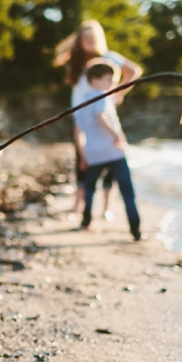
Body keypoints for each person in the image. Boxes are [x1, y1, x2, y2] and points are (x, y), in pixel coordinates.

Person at [54, 20, 143, 222]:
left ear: (98, 39)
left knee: (110, 154)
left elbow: (135, 71)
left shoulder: (109, 57)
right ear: (79, 40)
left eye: (92, 37)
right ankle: (79, 204)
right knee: (82, 157)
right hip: (80, 115)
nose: (88, 41)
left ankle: (106, 207)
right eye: (84, 37)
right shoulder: (75, 63)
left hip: (102, 113)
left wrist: (119, 93)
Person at [73, 62, 142, 241]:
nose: (112, 84)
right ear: (95, 80)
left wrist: (82, 155)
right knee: (127, 192)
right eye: (109, 80)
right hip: (113, 152)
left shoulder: (82, 102)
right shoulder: (101, 96)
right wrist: (117, 135)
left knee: (90, 189)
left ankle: (85, 222)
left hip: (93, 154)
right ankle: (136, 230)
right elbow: (100, 116)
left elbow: (78, 131)